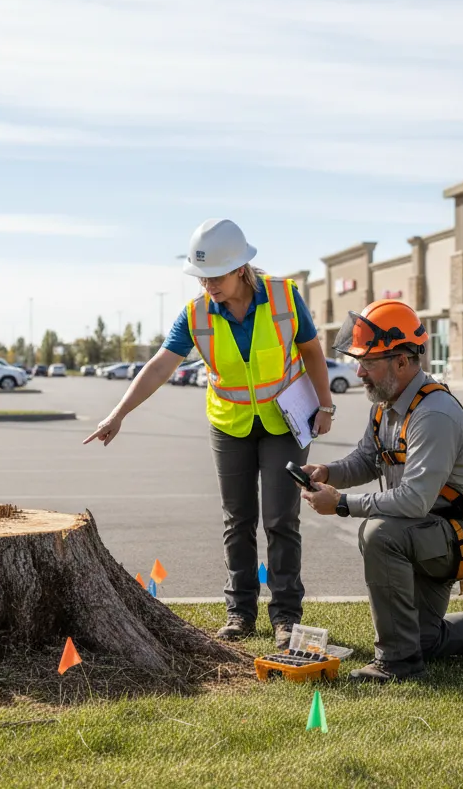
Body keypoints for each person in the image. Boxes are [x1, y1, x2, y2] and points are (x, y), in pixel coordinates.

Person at [84, 219, 336, 649]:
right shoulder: (196, 313)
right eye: (201, 276)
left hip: (284, 422)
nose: (208, 285)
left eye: (215, 276)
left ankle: (286, 617)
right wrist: (119, 412)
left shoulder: (284, 296)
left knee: (280, 518)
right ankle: (239, 612)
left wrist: (325, 404)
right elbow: (162, 365)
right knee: (237, 520)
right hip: (230, 424)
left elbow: (311, 350)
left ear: (241, 268)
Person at [298, 299, 463, 682]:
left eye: (368, 361)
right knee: (425, 639)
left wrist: (343, 505)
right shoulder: (386, 404)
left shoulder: (433, 414)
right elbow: (369, 460)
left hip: (458, 535)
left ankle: (397, 662)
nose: (359, 370)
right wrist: (328, 472)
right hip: (427, 533)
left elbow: (414, 499)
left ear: (401, 361)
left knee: (379, 532)